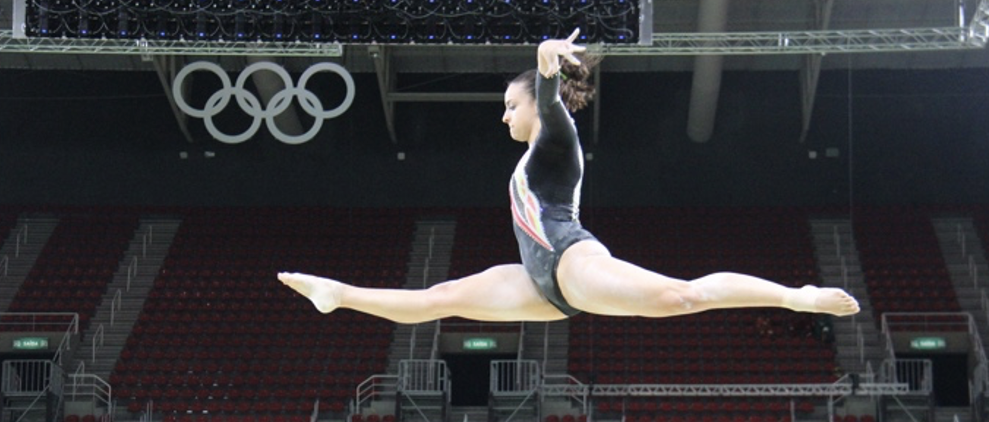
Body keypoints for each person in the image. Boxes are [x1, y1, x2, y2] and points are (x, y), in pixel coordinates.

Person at [278, 30, 859, 326]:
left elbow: (550, 100)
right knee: (442, 298)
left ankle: (796, 296)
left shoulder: (555, 139)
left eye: (511, 103)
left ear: (534, 102)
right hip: (540, 279)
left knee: (682, 296)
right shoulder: (536, 148)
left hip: (569, 260)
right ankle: (339, 295)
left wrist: (544, 61)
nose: (504, 114)